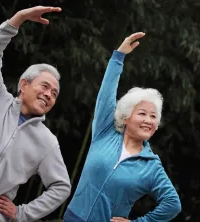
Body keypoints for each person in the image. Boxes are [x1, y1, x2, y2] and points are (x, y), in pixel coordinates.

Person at [0, 6, 71, 222]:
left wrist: (22, 213)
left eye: (54, 93)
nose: (48, 95)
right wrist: (17, 20)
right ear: (24, 84)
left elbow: (61, 187)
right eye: (45, 86)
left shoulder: (47, 142)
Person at [64, 33, 181, 221]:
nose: (148, 120)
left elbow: (172, 204)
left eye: (153, 117)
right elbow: (105, 95)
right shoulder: (105, 132)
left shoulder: (151, 166)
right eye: (142, 113)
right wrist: (118, 57)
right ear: (126, 117)